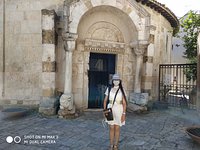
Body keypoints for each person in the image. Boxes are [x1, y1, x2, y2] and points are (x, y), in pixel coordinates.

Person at [103, 74, 127, 150]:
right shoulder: (109, 89)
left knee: (117, 128)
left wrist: (124, 114)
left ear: (119, 81)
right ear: (112, 81)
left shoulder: (122, 89)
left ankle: (116, 145)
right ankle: (111, 145)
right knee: (111, 128)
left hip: (119, 110)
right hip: (110, 110)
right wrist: (105, 111)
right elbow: (105, 101)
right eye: (115, 80)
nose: (116, 81)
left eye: (117, 80)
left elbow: (124, 103)